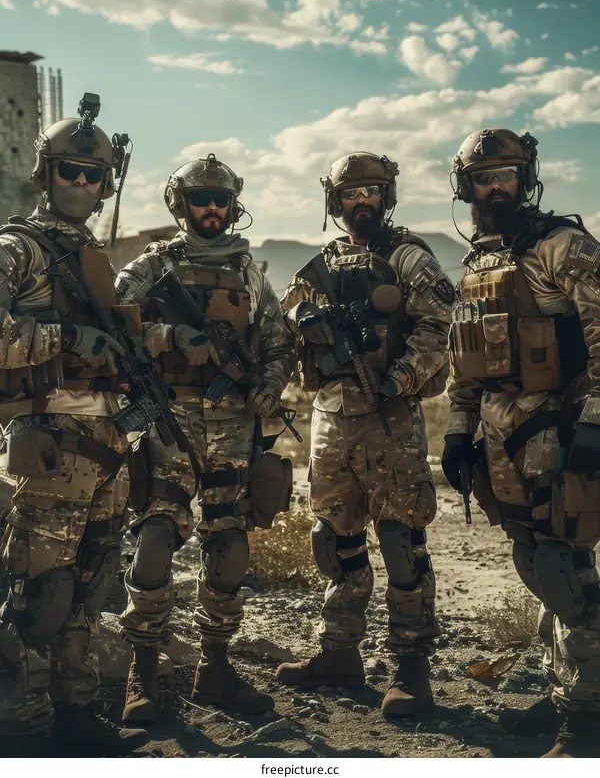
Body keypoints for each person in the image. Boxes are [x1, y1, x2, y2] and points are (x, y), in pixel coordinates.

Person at [115, 153, 294, 722]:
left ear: (233, 206)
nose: (212, 209)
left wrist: (269, 386)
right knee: (156, 537)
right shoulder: (152, 265)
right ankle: (143, 671)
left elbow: (278, 341)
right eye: (201, 200)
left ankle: (214, 668)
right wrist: (168, 336)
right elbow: (113, 322)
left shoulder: (249, 273)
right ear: (181, 204)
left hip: (234, 427)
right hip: (169, 421)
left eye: (221, 200)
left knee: (229, 545)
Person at [276, 152, 454, 717]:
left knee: (402, 542)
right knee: (335, 540)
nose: (362, 202)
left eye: (372, 192)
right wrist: (304, 325)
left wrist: (397, 378)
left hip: (389, 417)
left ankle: (411, 669)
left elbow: (440, 327)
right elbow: (284, 320)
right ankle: (339, 652)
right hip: (330, 417)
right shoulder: (322, 264)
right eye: (351, 194)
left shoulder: (409, 258)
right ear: (336, 201)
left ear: (387, 196)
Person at [442, 127, 600, 758]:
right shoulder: (479, 262)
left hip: (560, 430)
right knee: (532, 560)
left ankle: (586, 721)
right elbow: (465, 360)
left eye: (506, 175)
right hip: (500, 438)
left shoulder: (563, 246)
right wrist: (458, 431)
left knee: (566, 569)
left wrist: (594, 424)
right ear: (467, 188)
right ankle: (565, 689)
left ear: (526, 178)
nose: (496, 188)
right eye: (483, 179)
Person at [0, 97, 148, 755]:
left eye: (94, 175)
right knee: (42, 591)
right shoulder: (17, 249)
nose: (82, 184)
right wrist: (67, 339)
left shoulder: (94, 257)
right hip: (49, 444)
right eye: (70, 171)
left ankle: (76, 713)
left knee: (91, 582)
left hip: (106, 444)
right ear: (45, 173)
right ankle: (21, 724)